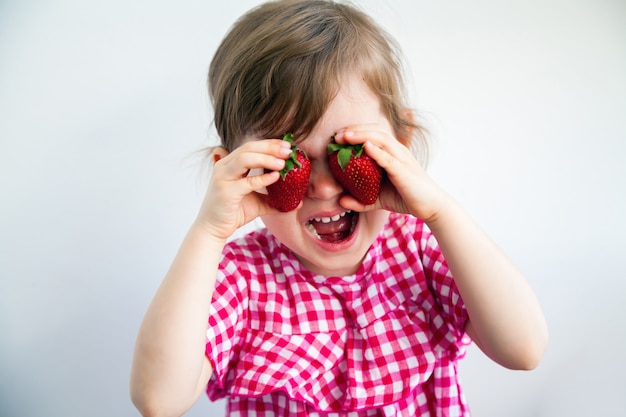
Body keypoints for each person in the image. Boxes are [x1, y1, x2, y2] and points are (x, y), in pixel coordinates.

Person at [130, 1, 549, 416]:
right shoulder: (239, 277)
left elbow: (523, 349)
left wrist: (441, 213)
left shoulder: (422, 248)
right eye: (286, 162)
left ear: (399, 148)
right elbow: (158, 400)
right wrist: (208, 232)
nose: (324, 186)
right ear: (236, 172)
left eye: (349, 152)